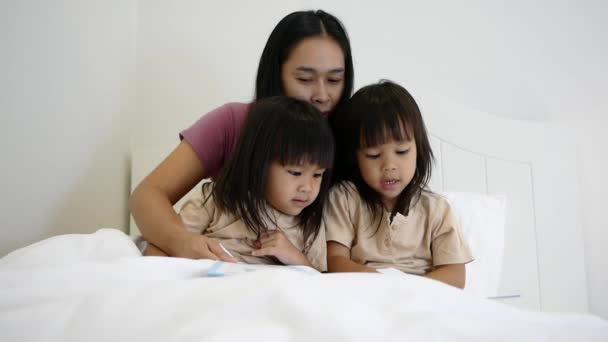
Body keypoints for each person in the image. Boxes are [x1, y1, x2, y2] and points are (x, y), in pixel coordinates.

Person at [128, 10, 354, 260]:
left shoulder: (352, 135)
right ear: (276, 72)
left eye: (334, 80)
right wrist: (181, 242)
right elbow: (148, 195)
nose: (322, 95)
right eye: (304, 78)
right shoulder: (233, 123)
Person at [144, 97, 334, 271]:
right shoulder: (218, 200)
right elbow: (165, 245)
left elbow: (320, 285)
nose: (307, 187)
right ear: (258, 163)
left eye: (317, 175)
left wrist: (294, 256)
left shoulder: (310, 224)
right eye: (295, 172)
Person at [325, 80, 473, 288]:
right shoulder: (344, 198)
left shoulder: (437, 209)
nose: (389, 166)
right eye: (373, 155)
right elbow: (335, 260)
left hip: (424, 296)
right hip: (365, 291)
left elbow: (456, 276)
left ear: (418, 150)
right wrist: (382, 285)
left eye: (402, 152)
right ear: (355, 157)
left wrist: (408, 290)